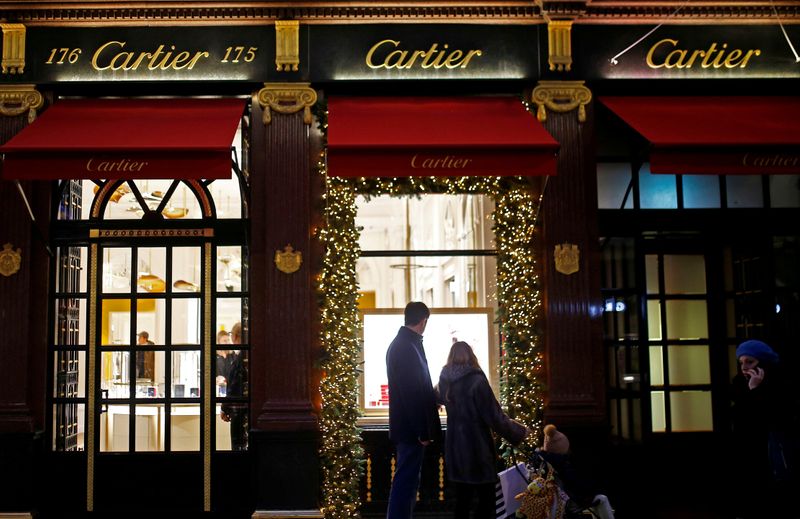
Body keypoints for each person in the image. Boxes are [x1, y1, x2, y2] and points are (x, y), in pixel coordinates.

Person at [437, 340, 528, 519]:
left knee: (462, 501)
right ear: (471, 356)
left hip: (455, 449)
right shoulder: (476, 380)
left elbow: (435, 397)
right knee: (486, 500)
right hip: (477, 450)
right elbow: (494, 415)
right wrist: (519, 432)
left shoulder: (445, 380)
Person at [386, 302, 441, 519]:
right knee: (406, 482)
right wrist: (422, 431)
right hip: (411, 431)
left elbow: (415, 388)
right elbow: (410, 393)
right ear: (423, 321)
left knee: (407, 482)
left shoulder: (404, 344)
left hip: (409, 429)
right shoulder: (406, 347)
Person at [730, 339, 798, 518]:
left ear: (762, 362)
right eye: (741, 362)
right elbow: (740, 417)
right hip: (748, 445)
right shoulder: (738, 383)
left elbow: (774, 415)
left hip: (772, 444)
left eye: (750, 362)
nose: (744, 367)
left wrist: (756, 391)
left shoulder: (779, 383)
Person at [537, 424, 615, 519]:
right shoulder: (561, 464)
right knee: (602, 498)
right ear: (562, 449)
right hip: (570, 502)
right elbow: (577, 486)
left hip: (559, 500)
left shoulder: (544, 461)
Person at [219, 322, 247, 450]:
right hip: (245, 409)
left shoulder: (239, 358)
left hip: (239, 411)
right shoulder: (245, 355)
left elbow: (233, 386)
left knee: (238, 446)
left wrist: (225, 407)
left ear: (235, 337)